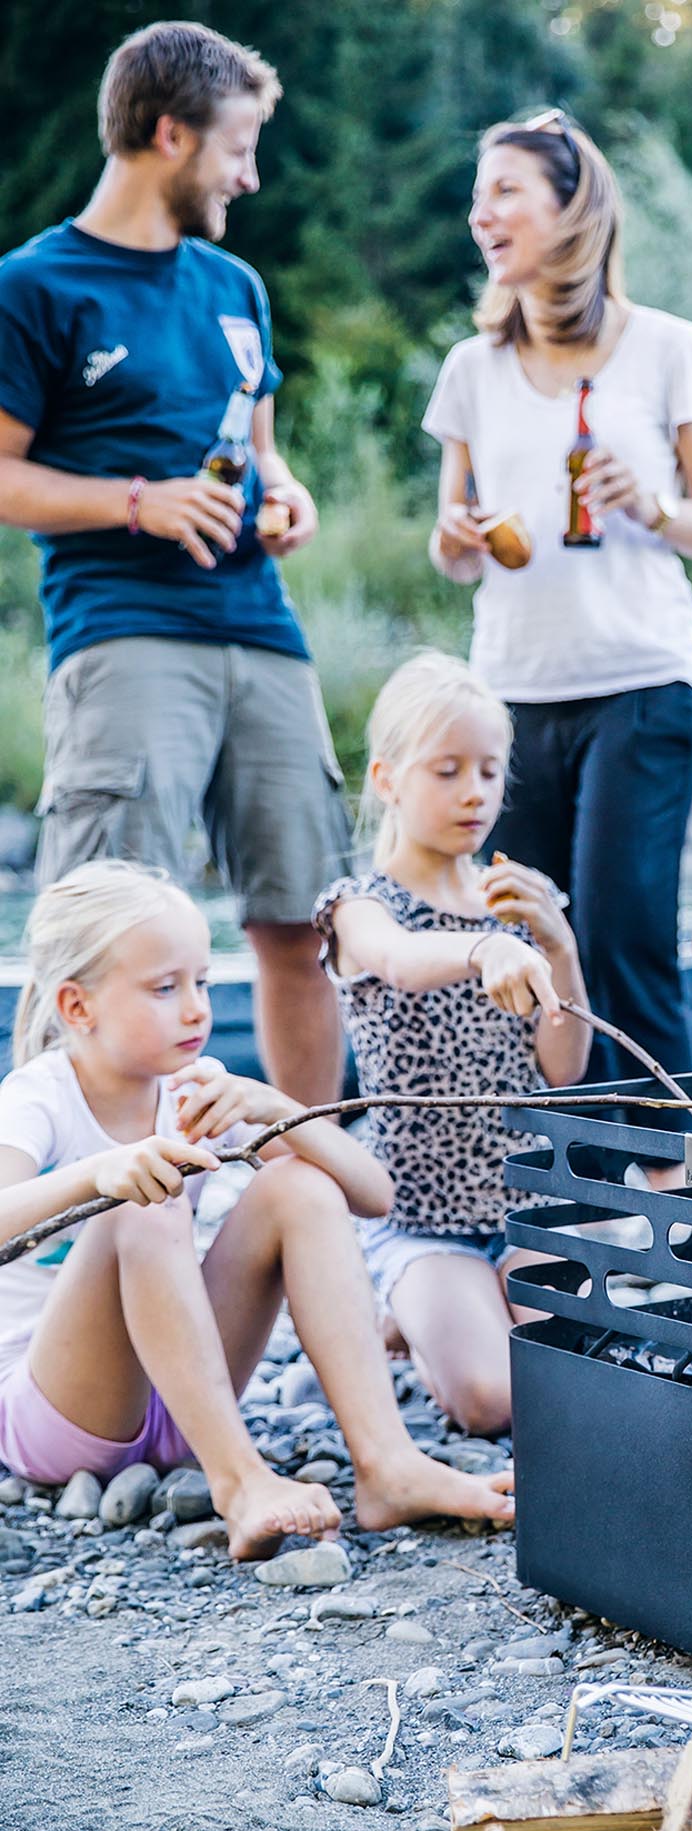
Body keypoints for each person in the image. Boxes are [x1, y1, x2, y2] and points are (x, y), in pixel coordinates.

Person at [0, 21, 347, 1109]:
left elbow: (264, 450)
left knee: (307, 920)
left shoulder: (238, 287)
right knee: (96, 929)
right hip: (124, 633)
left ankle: (309, 1171)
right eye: (238, 148)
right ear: (167, 134)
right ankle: (50, 1215)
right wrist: (137, 502)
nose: (249, 175)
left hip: (265, 632)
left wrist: (291, 497)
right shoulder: (33, 284)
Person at [0, 861, 515, 1556]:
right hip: (62, 1414)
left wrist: (276, 1109)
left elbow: (375, 1195)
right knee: (141, 1199)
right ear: (77, 1007)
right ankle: (239, 1481)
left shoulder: (192, 1092)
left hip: (187, 1403)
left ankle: (386, 1465)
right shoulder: (41, 1095)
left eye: (202, 983)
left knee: (299, 1184)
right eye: (164, 988)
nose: (195, 1009)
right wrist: (100, 1173)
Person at [423, 108, 692, 1138]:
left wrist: (651, 504)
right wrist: (458, 534)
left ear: (572, 209)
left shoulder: (668, 348)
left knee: (619, 935)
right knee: (519, 935)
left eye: (505, 190)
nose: (483, 212)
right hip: (509, 696)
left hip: (641, 685)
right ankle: (554, 1181)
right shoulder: (470, 366)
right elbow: (447, 544)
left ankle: (669, 1185)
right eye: (478, 196)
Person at [314, 653, 591, 1438]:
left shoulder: (513, 897)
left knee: (584, 1376)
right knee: (494, 1402)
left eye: (489, 770)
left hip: (531, 1208)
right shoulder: (360, 907)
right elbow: (400, 964)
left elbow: (561, 1068)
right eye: (447, 771)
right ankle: (410, 1303)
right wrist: (482, 951)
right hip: (421, 1216)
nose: (474, 791)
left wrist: (557, 947)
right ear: (389, 778)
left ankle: (439, 1314)